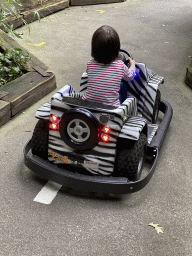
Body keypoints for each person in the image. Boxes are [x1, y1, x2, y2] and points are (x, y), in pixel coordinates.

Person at [82, 25, 136, 106]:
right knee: (123, 85)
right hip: (111, 110)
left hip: (88, 105)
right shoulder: (120, 65)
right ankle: (124, 110)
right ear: (116, 49)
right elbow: (130, 77)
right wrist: (132, 65)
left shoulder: (90, 64)